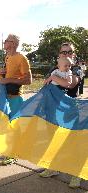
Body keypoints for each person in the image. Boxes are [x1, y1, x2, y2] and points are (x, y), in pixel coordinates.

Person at [39, 42, 82, 189]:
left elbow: (69, 84)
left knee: (72, 142)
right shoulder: (54, 69)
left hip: (70, 110)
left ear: (73, 55)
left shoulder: (76, 69)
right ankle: (53, 167)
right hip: (53, 110)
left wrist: (53, 78)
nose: (66, 54)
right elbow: (45, 86)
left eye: (69, 51)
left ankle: (76, 174)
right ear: (59, 55)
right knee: (53, 140)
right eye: (63, 52)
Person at [0, 34, 32, 165]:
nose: (4, 42)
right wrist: (3, 72)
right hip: (5, 96)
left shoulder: (21, 58)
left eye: (6, 40)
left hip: (16, 97)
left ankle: (14, 153)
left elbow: (29, 80)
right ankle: (3, 150)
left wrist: (8, 79)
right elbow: (10, 73)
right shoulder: (7, 57)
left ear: (13, 43)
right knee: (4, 125)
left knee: (14, 127)